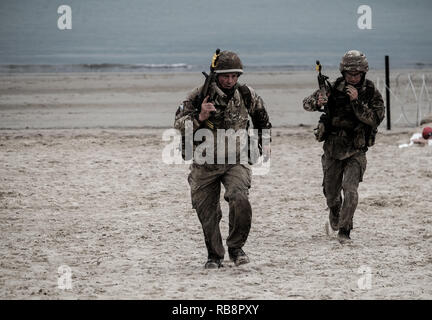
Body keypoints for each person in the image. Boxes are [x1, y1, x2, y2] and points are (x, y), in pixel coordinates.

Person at [174, 51, 272, 268]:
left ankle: (236, 249)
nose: (230, 81)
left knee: (240, 199)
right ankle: (214, 256)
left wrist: (265, 142)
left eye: (234, 76)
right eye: (225, 76)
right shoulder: (197, 95)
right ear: (216, 75)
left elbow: (262, 118)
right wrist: (200, 116)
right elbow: (178, 124)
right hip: (204, 163)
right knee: (207, 213)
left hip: (236, 160)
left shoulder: (247, 94)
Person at [303, 50, 385, 243]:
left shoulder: (371, 91)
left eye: (357, 74)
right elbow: (306, 104)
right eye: (349, 74)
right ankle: (334, 212)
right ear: (343, 73)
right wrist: (317, 101)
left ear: (363, 73)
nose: (353, 77)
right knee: (331, 195)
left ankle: (345, 231)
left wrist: (356, 101)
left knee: (350, 190)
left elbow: (376, 119)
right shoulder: (333, 88)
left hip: (356, 148)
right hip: (333, 147)